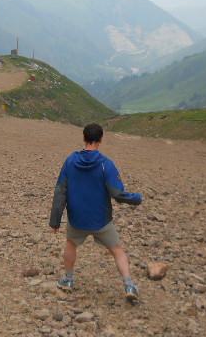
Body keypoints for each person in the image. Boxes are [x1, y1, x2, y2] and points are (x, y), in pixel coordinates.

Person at [49, 123, 142, 301]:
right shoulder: (107, 164)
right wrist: (136, 198)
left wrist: (55, 220)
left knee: (71, 244)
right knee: (117, 250)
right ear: (101, 140)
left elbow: (60, 192)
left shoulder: (70, 161)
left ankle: (68, 280)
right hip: (101, 220)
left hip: (77, 219)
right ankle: (129, 285)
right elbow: (117, 193)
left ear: (84, 138)